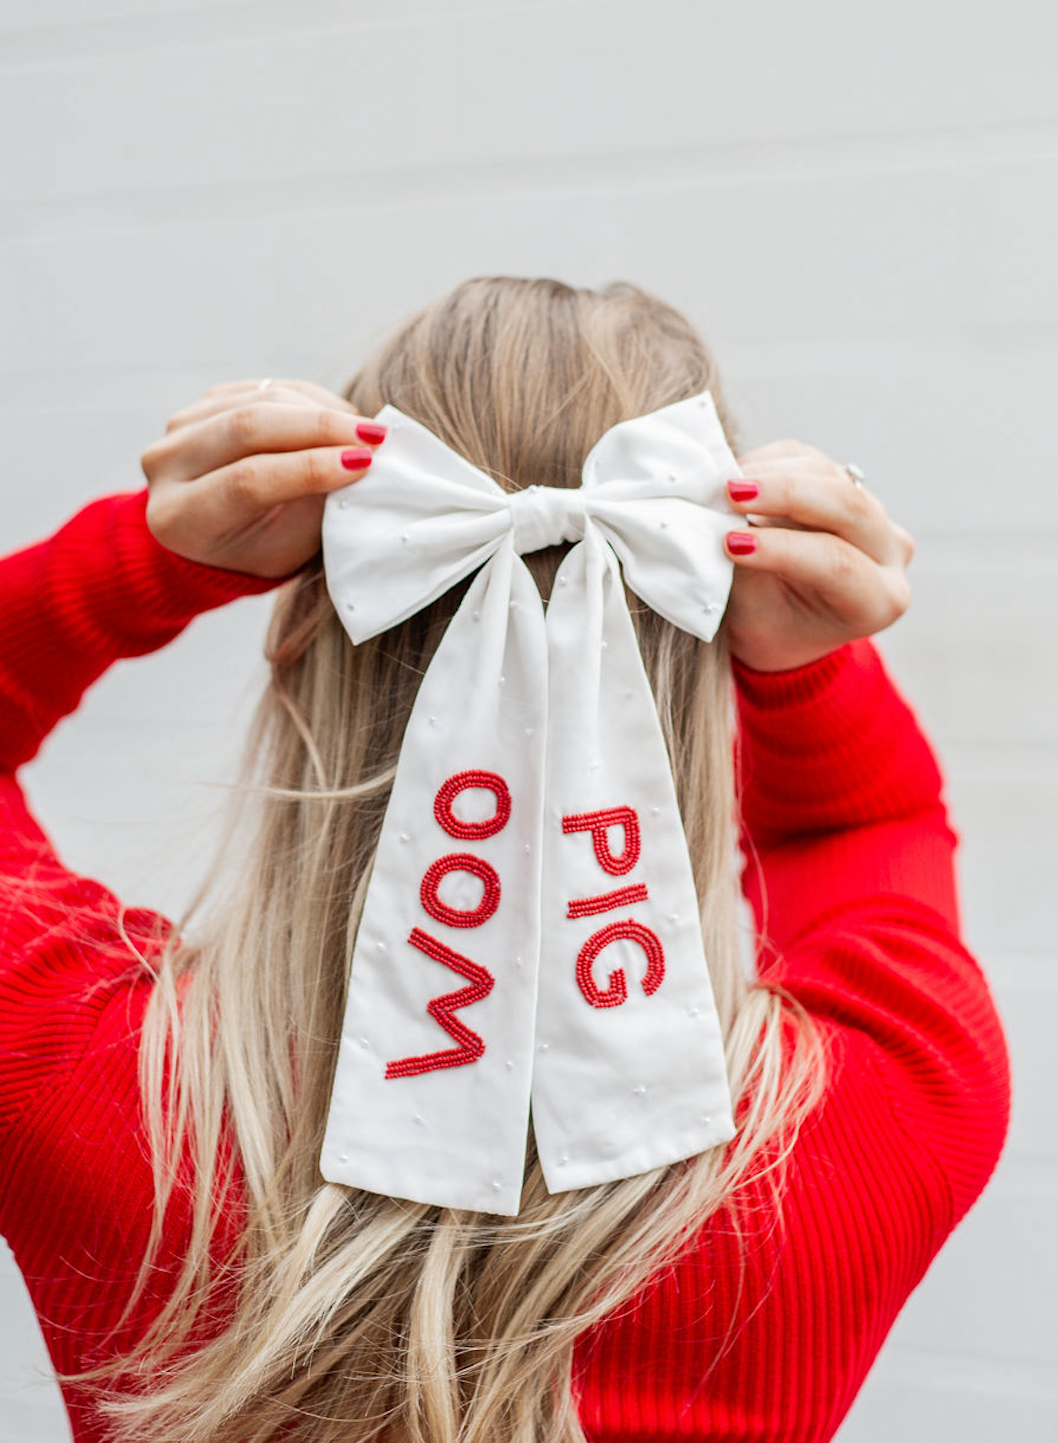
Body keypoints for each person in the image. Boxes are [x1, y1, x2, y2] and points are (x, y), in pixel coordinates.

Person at [0, 277, 1010, 1443]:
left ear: (290, 641)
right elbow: (862, 831)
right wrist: (808, 669)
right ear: (708, 673)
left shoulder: (79, 1072)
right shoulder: (887, 1103)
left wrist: (144, 558)